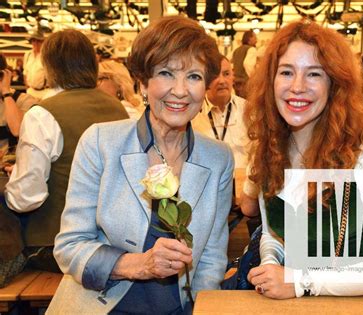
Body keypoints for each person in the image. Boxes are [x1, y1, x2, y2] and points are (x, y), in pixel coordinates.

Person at [47, 16, 233, 314]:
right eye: (166, 73)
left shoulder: (218, 157)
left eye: (194, 76)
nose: (181, 90)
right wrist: (140, 265)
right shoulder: (101, 143)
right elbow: (70, 246)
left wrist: (200, 308)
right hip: (100, 306)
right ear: (143, 83)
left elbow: (211, 257)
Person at [241, 20, 363, 299]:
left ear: (336, 84)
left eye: (314, 74)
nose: (297, 86)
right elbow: (274, 233)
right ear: (271, 81)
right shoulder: (267, 150)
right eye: (286, 72)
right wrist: (270, 262)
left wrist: (301, 282)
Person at [2, 29, 128, 274]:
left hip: (55, 245)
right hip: (112, 242)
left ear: (50, 67)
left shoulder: (43, 114)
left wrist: (10, 185)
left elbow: (27, 198)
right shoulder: (119, 109)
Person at [192, 54, 249, 169]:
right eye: (215, 76)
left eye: (226, 74)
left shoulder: (249, 110)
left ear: (233, 77)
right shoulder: (193, 115)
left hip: (241, 181)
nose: (222, 81)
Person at [23, 30, 49, 100]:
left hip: (44, 91)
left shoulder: (46, 56)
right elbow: (25, 72)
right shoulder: (27, 54)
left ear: (43, 42)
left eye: (39, 41)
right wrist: (27, 87)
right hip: (30, 91)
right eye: (33, 41)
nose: (36, 43)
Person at [232, 30, 258, 98]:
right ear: (249, 38)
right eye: (255, 37)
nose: (256, 40)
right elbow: (247, 64)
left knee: (239, 103)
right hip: (245, 83)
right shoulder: (252, 49)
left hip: (235, 82)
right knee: (246, 104)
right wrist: (254, 78)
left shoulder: (236, 50)